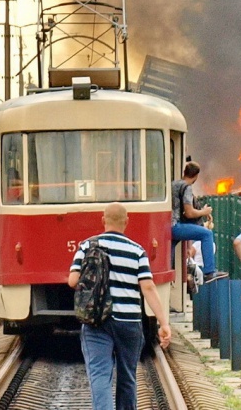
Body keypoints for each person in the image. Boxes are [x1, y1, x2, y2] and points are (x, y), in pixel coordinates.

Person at [68, 202, 171, 410]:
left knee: (99, 374)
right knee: (127, 376)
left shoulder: (87, 246)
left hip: (96, 320)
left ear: (103, 220)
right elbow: (148, 288)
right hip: (129, 322)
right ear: (127, 222)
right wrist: (163, 323)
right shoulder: (137, 250)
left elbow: (73, 281)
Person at [171, 162, 226, 282]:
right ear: (195, 176)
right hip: (175, 226)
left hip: (168, 225)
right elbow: (189, 212)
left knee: (170, 250)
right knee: (206, 234)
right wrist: (204, 212)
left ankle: (170, 272)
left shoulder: (174, 184)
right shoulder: (187, 187)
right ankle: (210, 272)